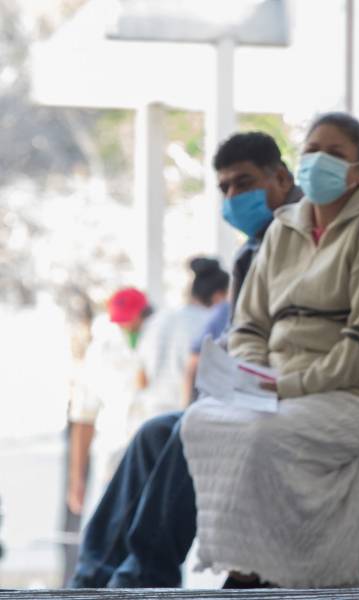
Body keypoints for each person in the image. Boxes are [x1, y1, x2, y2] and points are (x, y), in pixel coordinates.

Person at [179, 112, 359, 588]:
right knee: (199, 420)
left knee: (264, 438)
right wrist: (252, 377)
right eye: (312, 150)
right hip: (283, 393)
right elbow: (249, 325)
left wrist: (287, 388)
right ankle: (251, 561)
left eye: (335, 155)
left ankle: (270, 574)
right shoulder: (282, 228)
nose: (319, 162)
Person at [69, 131, 302, 588]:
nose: (233, 196)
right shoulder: (252, 248)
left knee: (191, 429)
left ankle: (144, 575)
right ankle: (94, 577)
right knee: (155, 432)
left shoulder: (304, 233)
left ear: (281, 177)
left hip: (291, 389)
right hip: (248, 387)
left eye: (244, 183)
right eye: (225, 187)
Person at [67, 287, 152, 517]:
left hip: (154, 459)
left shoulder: (162, 340)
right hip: (113, 457)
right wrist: (77, 479)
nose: (127, 326)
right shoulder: (101, 352)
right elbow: (83, 417)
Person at [135, 257, 229, 419]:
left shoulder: (157, 320)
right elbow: (195, 368)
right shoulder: (214, 323)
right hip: (184, 418)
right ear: (219, 295)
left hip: (149, 417)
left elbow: (141, 379)